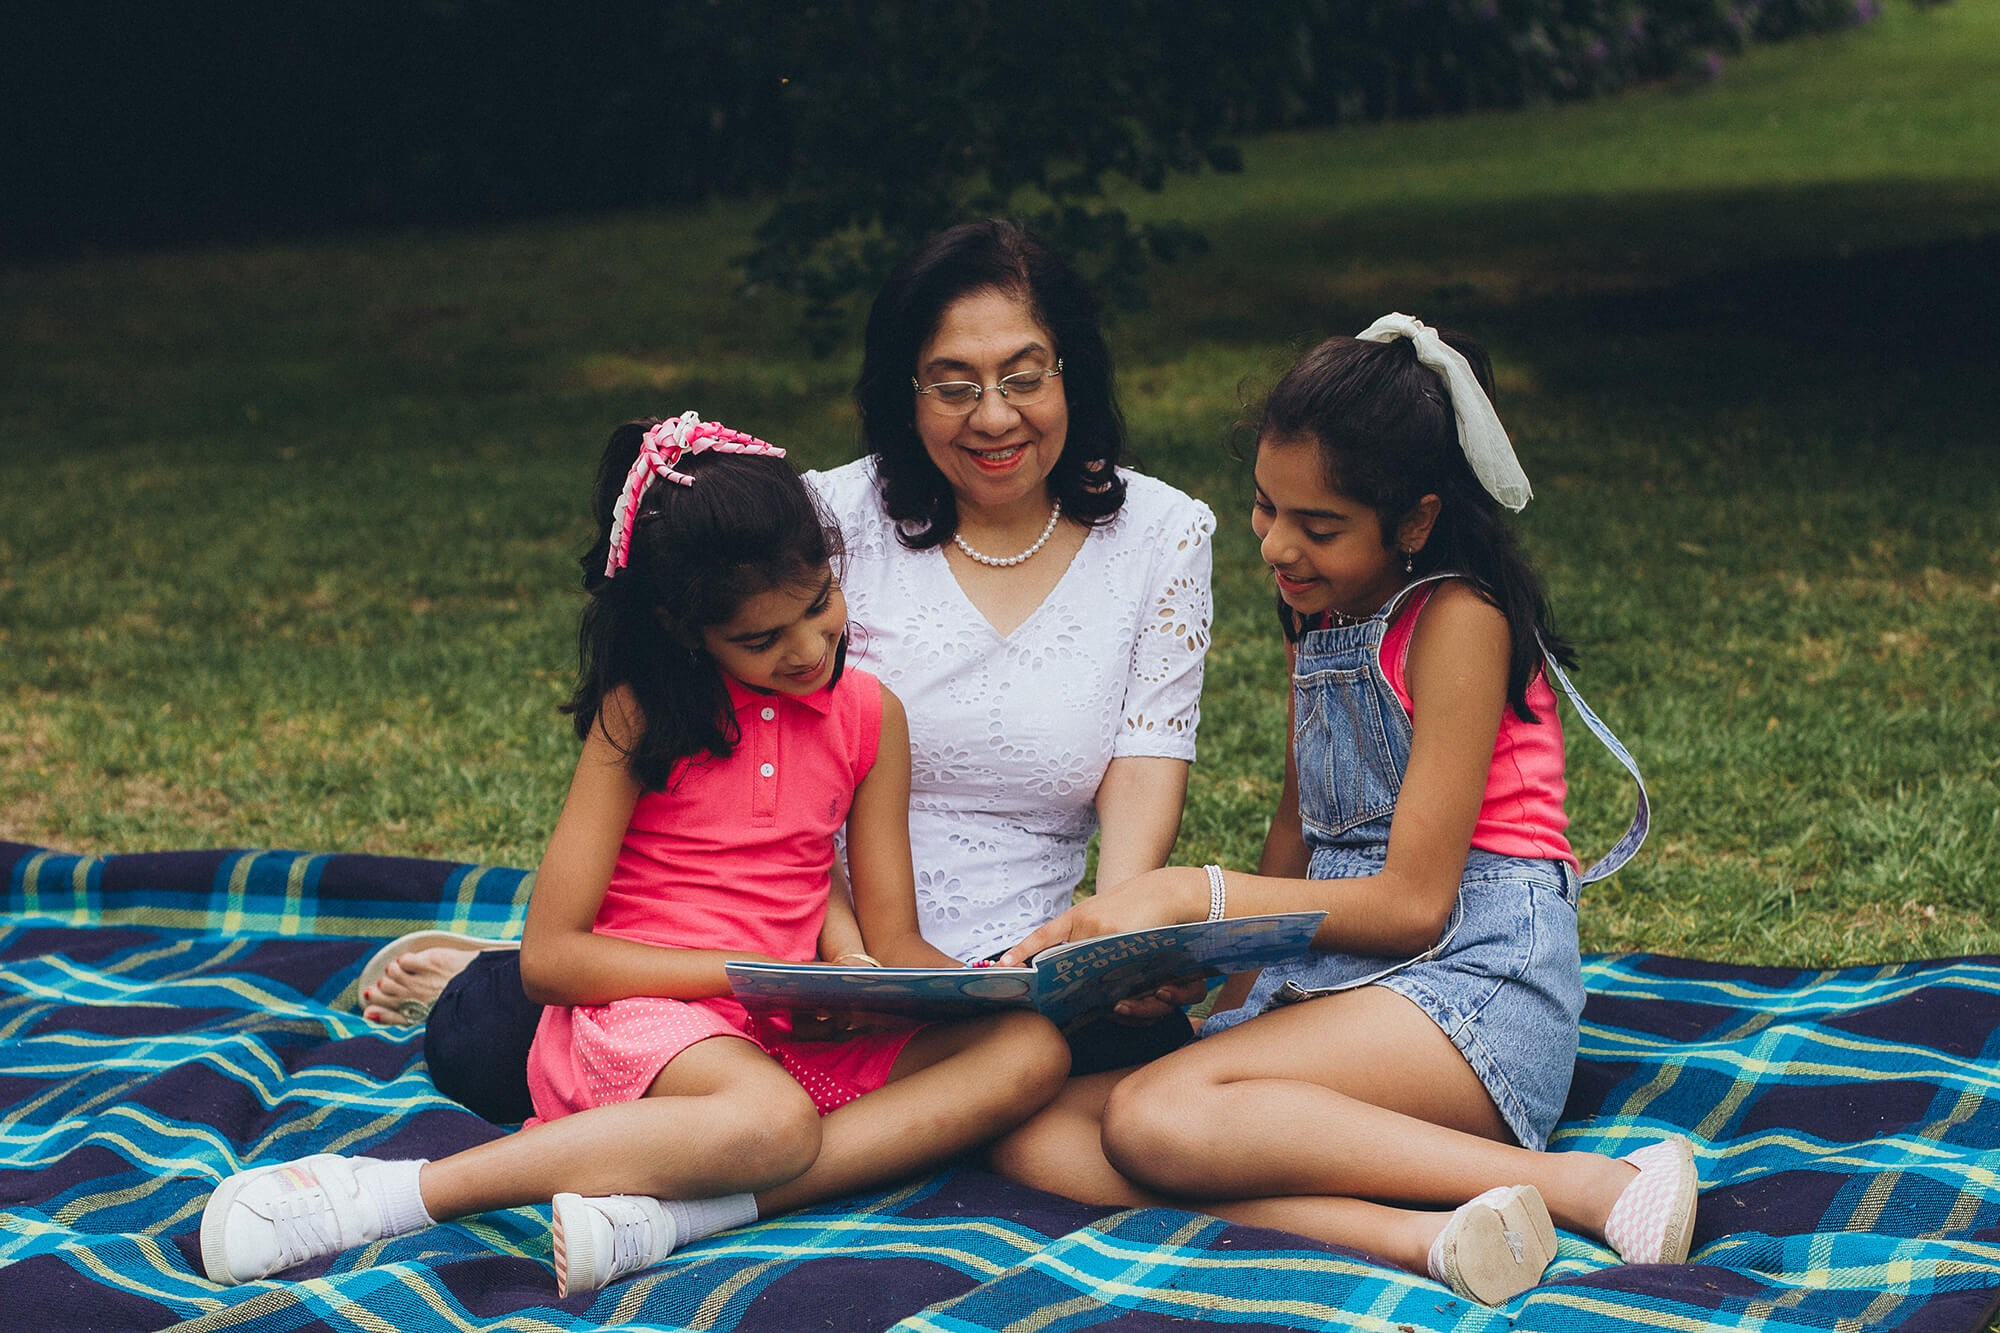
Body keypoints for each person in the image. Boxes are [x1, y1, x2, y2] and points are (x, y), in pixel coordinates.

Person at [362, 220, 1217, 1119]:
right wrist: (804, 962)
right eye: (953, 386)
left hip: (997, 970)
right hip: (778, 953)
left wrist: (1119, 942)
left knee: (1116, 1059)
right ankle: (508, 975)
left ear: (1071, 369)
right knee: (491, 1037)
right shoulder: (819, 520)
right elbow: (715, 757)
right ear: (905, 391)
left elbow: (1142, 773)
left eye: (1025, 375)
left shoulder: (1164, 536)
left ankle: (772, 1147)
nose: (994, 416)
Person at [200, 415, 1070, 1295]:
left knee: (1029, 1050)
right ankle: (394, 1194)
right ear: (688, 629)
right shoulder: (642, 714)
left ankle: (673, 1212)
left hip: (785, 1018)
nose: (808, 650)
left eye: (818, 607)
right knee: (775, 1124)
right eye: (762, 641)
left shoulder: (870, 715)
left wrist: (962, 983)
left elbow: (894, 938)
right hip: (653, 1009)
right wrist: (752, 975)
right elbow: (550, 959)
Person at [985, 316, 1694, 1306]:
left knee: (1154, 1117)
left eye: (1317, 526)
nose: (1278, 545)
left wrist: (1192, 894)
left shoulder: (1458, 622)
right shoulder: (1319, 610)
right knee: (1037, 1132)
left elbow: (1412, 904)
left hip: (1477, 980)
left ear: (1413, 520)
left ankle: (1586, 1187)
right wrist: (1219, 981)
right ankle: (1430, 1236)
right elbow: (1300, 828)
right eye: (1264, 508)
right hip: (1339, 967)